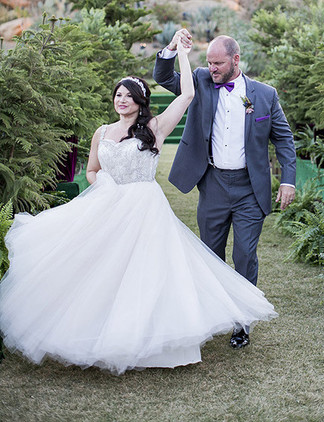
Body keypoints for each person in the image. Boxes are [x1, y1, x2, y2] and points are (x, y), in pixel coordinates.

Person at [0, 39, 277, 375]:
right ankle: (96, 330)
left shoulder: (154, 128)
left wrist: (182, 53)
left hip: (145, 208)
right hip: (108, 205)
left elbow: (187, 95)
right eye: (118, 95)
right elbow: (92, 170)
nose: (122, 100)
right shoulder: (102, 132)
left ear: (140, 101)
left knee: (149, 271)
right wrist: (103, 185)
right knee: (101, 268)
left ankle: (150, 339)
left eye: (128, 96)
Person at [154, 29, 296, 349]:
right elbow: (163, 77)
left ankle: (241, 322)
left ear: (236, 60)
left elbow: (284, 139)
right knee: (210, 255)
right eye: (209, 62)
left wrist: (288, 179)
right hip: (214, 184)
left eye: (218, 63)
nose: (212, 68)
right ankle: (212, 315)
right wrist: (173, 47)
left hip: (250, 189)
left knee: (244, 255)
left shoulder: (265, 95)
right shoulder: (201, 81)